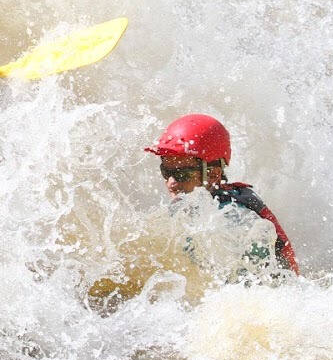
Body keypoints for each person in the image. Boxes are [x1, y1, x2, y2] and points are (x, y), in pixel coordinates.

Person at [88, 113, 298, 310]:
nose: (171, 183)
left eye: (181, 174)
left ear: (214, 174)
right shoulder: (197, 207)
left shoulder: (234, 215)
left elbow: (250, 294)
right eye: (166, 171)